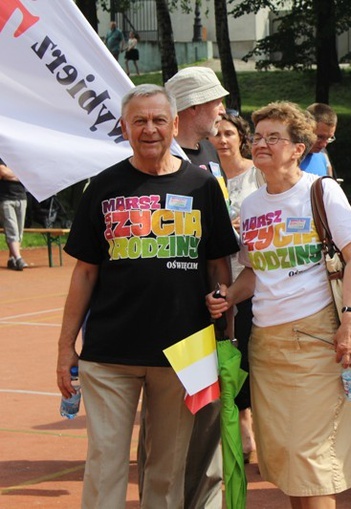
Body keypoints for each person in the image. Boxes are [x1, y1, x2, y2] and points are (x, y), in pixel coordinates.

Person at [55, 84, 238, 509]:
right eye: (139, 120)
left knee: (167, 469)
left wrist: (223, 314)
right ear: (124, 127)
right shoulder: (102, 186)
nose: (150, 129)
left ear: (175, 125)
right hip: (109, 353)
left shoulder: (203, 186)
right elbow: (84, 272)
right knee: (105, 462)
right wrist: (66, 346)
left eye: (159, 120)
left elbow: (218, 266)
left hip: (184, 351)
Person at [206, 101, 351, 508]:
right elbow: (254, 272)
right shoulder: (253, 204)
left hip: (316, 340)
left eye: (273, 137)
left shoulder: (320, 190)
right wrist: (227, 298)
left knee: (309, 459)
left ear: (299, 148)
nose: (261, 144)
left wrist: (350, 320)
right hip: (266, 343)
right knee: (287, 460)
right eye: (257, 137)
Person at [161, 65, 230, 509]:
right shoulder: (160, 160)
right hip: (175, 318)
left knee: (208, 422)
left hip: (213, 314)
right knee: (169, 429)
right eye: (215, 100)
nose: (222, 109)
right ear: (190, 107)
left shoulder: (207, 153)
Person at [209, 112, 263, 462]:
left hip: (251, 273)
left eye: (229, 133)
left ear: (241, 137)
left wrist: (246, 224)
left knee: (244, 344)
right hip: (212, 271)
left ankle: (247, 419)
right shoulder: (204, 176)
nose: (222, 140)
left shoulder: (257, 174)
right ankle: (228, 421)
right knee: (219, 346)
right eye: (216, 134)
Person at [0, 157, 29, 271]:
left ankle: (12, 259)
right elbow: (2, 171)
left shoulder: (20, 157)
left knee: (19, 231)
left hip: (21, 198)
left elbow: (28, 174)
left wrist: (11, 175)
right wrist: (20, 176)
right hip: (5, 199)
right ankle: (18, 258)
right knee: (12, 229)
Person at [300, 103, 336, 177]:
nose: (324, 145)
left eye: (329, 138)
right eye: (319, 137)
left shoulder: (323, 155)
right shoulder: (286, 156)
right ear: (305, 128)